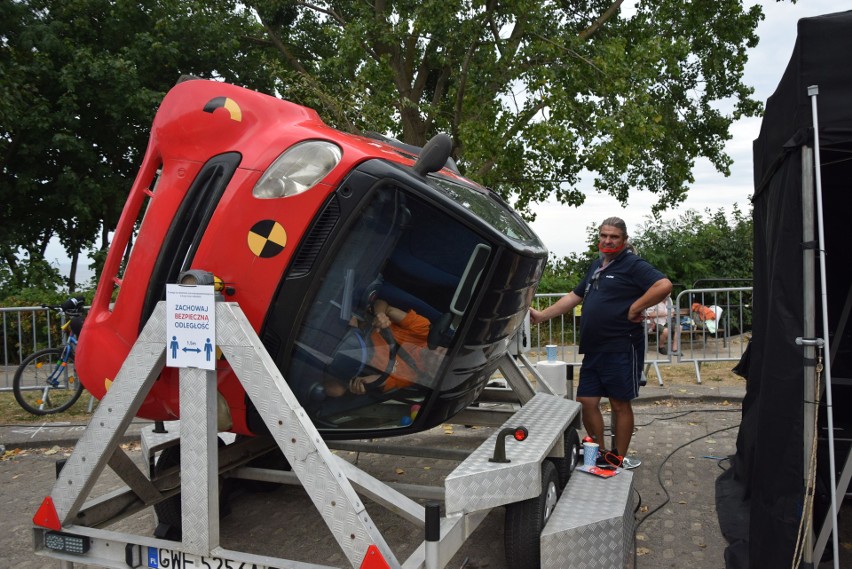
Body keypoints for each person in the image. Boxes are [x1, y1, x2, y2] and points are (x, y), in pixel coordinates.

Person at [530, 217, 672, 469]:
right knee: (587, 401)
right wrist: (542, 316)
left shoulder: (632, 264)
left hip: (621, 346)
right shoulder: (597, 265)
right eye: (604, 235)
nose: (608, 240)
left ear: (624, 240)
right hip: (594, 348)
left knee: (619, 402)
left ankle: (618, 457)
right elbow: (574, 296)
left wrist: (636, 307)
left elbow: (664, 285)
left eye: (614, 237)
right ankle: (602, 453)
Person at [324, 299, 443, 397]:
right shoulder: (423, 329)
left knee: (335, 391)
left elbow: (377, 380)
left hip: (354, 354)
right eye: (442, 351)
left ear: (432, 374)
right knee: (352, 317)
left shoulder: (409, 378)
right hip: (361, 325)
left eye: (438, 361)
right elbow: (383, 304)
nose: (437, 353)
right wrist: (380, 315)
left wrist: (362, 385)